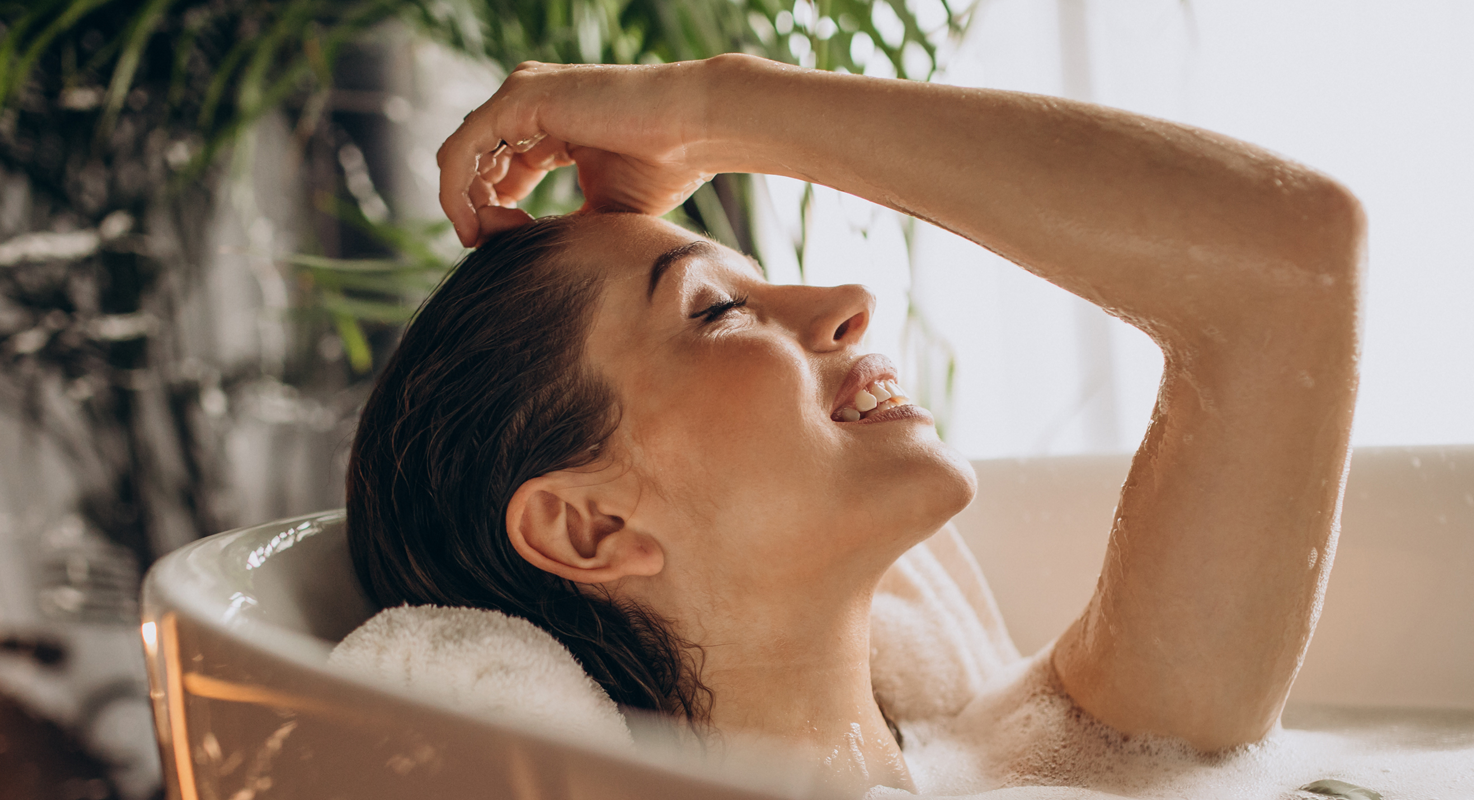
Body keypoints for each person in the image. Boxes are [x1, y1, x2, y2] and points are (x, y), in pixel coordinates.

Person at [346, 54, 1363, 793]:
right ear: (591, 526)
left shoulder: (1068, 753)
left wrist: (708, 109)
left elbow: (1291, 258)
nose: (846, 301)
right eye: (718, 310)